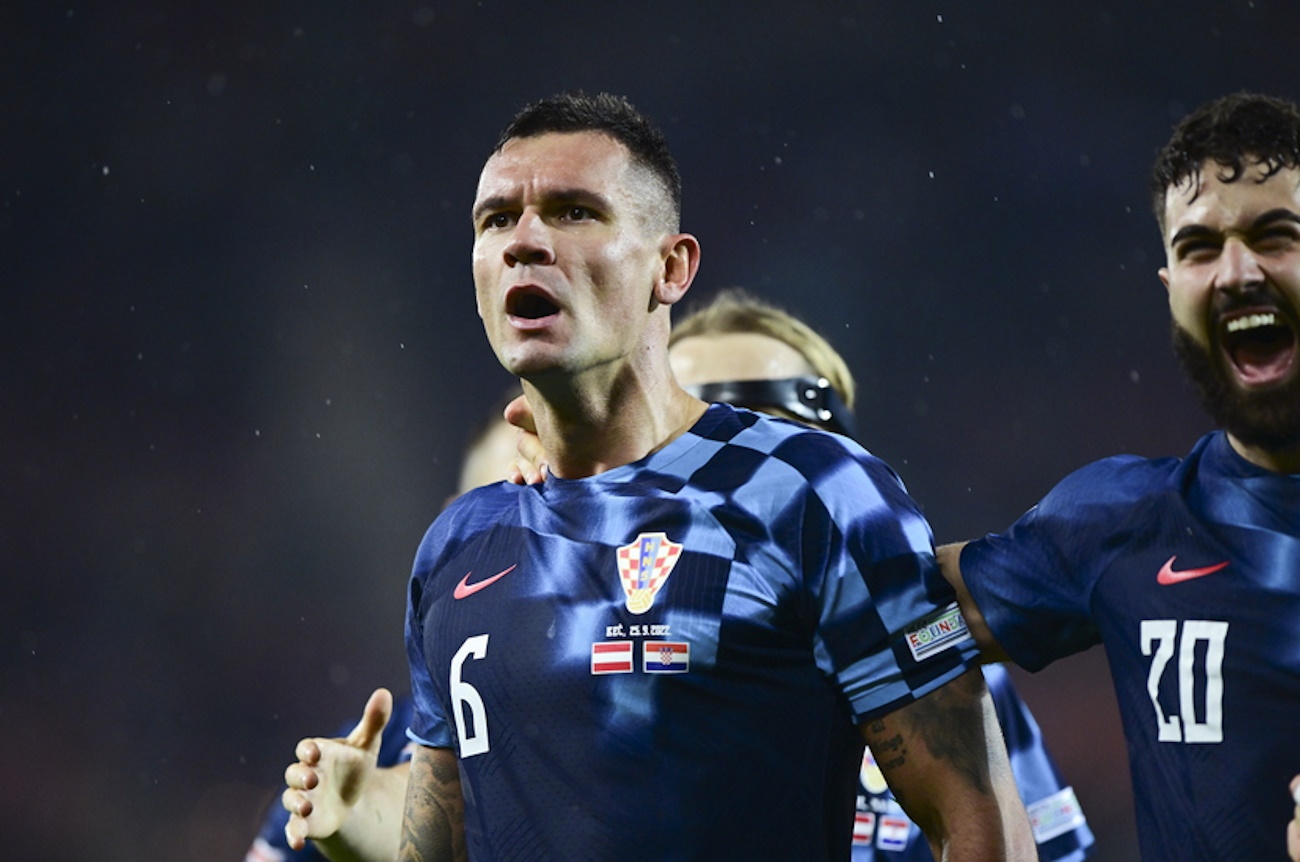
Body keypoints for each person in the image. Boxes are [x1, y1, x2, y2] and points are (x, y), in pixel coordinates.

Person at [399, 91, 1033, 860]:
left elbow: (975, 825)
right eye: (496, 219)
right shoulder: (460, 544)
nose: (523, 241)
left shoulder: (810, 493)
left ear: (671, 267)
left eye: (573, 212)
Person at [939, 91, 1300, 861]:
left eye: (1276, 235)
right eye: (1200, 248)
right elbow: (894, 620)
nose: (1237, 272)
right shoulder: (1120, 525)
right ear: (1173, 291)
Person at [666, 288, 1093, 862]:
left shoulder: (942, 662)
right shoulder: (576, 660)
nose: (746, 470)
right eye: (699, 435)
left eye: (775, 434)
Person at [246, 409, 522, 862]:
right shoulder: (370, 754)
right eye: (502, 512)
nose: (529, 547)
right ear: (453, 532)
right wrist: (358, 817)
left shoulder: (646, 724)